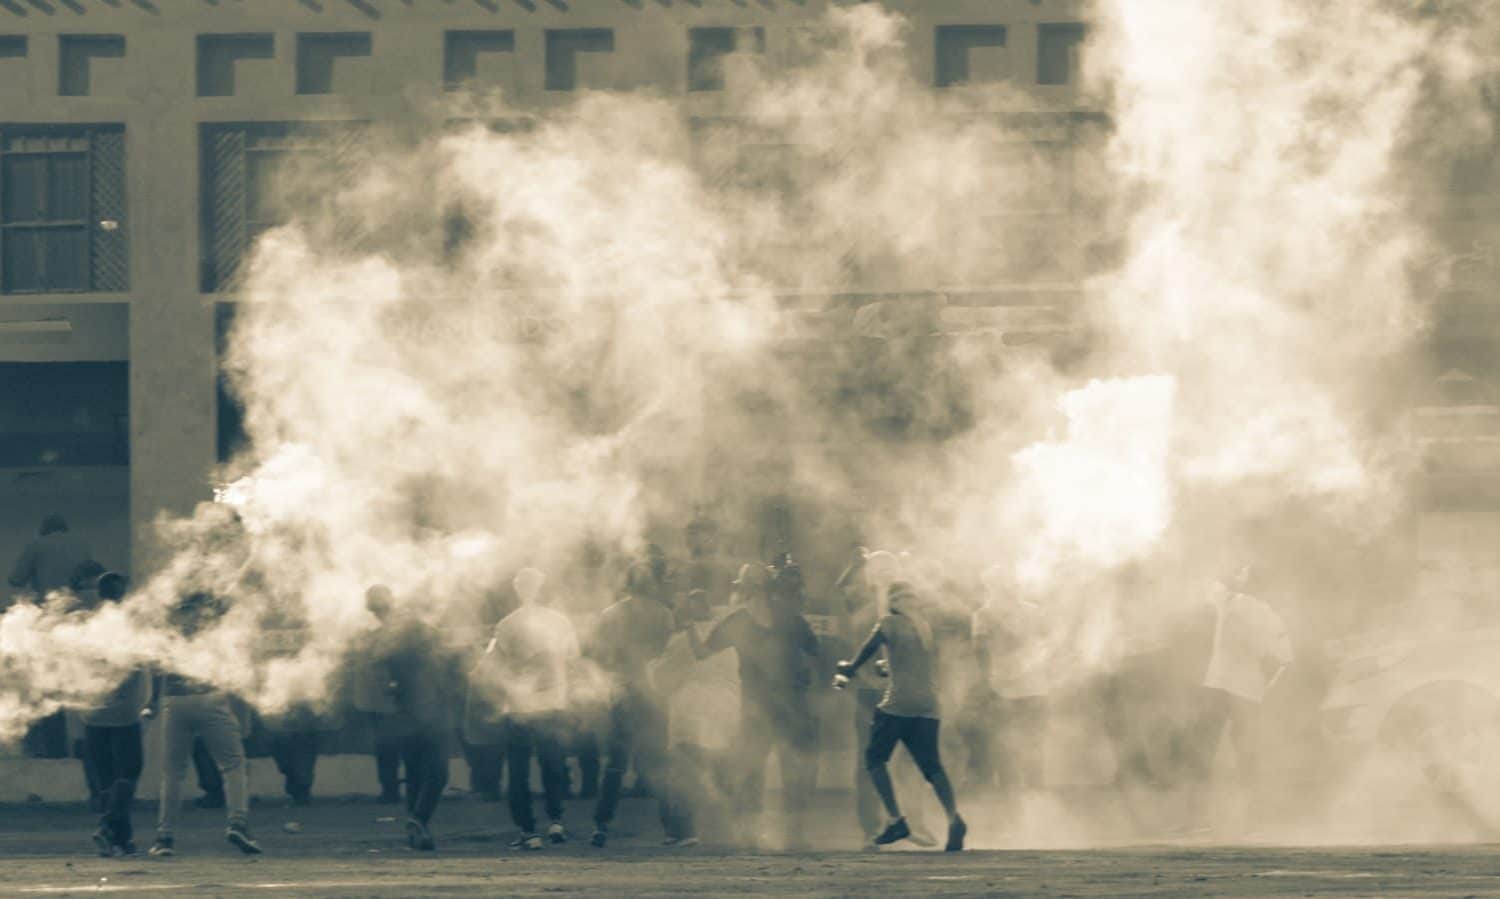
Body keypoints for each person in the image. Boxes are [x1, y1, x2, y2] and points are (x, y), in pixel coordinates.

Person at [687, 562, 820, 849]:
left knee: (753, 768)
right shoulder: (789, 617)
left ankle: (752, 833)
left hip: (759, 706)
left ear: (746, 589)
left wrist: (687, 624)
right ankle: (794, 834)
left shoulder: (738, 621)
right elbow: (815, 651)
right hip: (791, 704)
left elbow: (701, 652)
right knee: (793, 769)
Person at [836, 580, 967, 852]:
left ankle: (896, 820)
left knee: (874, 758)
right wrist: (888, 666)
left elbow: (867, 649)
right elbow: (913, 662)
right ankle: (954, 819)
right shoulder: (923, 627)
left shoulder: (888, 623)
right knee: (932, 766)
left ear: (892, 602)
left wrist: (850, 668)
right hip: (928, 704)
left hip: (899, 703)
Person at [471, 568, 580, 851]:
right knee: (552, 763)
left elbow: (492, 665)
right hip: (554, 701)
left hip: (520, 705)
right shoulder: (560, 621)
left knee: (518, 769)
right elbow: (573, 658)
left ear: (518, 590)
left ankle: (529, 831)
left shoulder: (508, 624)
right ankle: (556, 821)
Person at [147, 591, 262, 857]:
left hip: (174, 701)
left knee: (173, 773)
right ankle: (238, 823)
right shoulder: (213, 630)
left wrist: (152, 702)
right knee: (233, 765)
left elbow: (157, 669)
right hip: (210, 698)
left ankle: (164, 838)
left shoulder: (168, 630)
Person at [1186, 565, 1293, 834]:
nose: (1240, 576)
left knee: (1205, 750)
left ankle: (1199, 819)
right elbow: (1286, 661)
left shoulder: (1229, 600)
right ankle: (1252, 821)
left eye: (1244, 573)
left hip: (1221, 685)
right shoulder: (1270, 616)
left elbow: (1209, 583)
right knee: (1247, 755)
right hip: (1247, 691)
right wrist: (1267, 688)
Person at [362, 584, 460, 851]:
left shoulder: (384, 638)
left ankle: (416, 826)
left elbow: (382, 679)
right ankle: (418, 821)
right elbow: (443, 658)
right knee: (436, 773)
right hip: (430, 711)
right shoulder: (412, 630)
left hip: (407, 713)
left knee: (416, 773)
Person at [588, 562, 674, 848]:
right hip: (652, 690)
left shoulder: (610, 615)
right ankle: (673, 827)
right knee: (659, 762)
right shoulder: (663, 613)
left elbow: (599, 655)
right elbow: (667, 654)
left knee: (616, 763)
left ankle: (601, 825)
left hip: (622, 689)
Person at [648, 589, 738, 847]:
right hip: (725, 714)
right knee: (721, 773)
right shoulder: (728, 640)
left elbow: (661, 680)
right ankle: (726, 830)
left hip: (690, 716)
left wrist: (649, 666)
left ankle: (683, 831)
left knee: (684, 774)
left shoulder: (680, 641)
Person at [969, 564, 1052, 815]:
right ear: (991, 586)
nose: (1009, 587)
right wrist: (986, 683)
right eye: (1002, 583)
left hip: (1033, 688)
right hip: (1005, 689)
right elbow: (980, 651)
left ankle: (1034, 807)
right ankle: (1014, 809)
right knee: (1007, 751)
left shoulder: (1032, 611)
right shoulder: (984, 615)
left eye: (1010, 582)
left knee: (1032, 748)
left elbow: (1047, 643)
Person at [82, 572, 149, 856]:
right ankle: (107, 825)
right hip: (123, 713)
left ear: (99, 593)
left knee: (108, 779)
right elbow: (134, 667)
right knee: (129, 773)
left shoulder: (87, 626)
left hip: (92, 713)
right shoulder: (131, 625)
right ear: (123, 594)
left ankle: (122, 839)